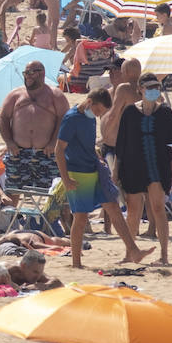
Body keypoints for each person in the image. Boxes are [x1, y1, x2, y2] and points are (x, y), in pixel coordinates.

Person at [55, 89, 150, 269]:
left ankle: (134, 251)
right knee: (81, 218)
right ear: (90, 102)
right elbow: (59, 149)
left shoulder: (90, 117)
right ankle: (76, 263)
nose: (98, 115)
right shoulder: (72, 118)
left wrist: (98, 159)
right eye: (98, 111)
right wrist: (65, 179)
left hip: (94, 169)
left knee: (113, 208)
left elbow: (87, 144)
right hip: (77, 172)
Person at [114, 72, 172, 265]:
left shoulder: (165, 112)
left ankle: (164, 255)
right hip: (133, 167)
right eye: (148, 88)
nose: (152, 91)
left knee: (158, 208)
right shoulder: (130, 112)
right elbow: (121, 144)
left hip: (157, 168)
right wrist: (116, 171)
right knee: (133, 210)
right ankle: (129, 253)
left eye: (155, 87)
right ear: (140, 89)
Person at [0, 61, 68, 191]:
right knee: (13, 190)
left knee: (53, 192)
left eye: (30, 73)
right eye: (25, 73)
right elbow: (3, 118)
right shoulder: (15, 94)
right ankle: (13, 212)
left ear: (42, 73)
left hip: (47, 152)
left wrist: (54, 142)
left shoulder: (55, 95)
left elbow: (64, 120)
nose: (27, 76)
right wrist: (8, 142)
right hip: (18, 152)